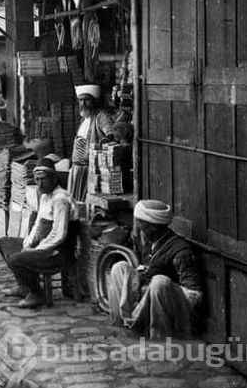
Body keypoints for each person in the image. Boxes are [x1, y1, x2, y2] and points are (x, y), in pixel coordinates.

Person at [108, 200, 202, 340]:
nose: (138, 231)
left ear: (153, 227)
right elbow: (150, 267)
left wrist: (157, 288)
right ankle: (123, 325)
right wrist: (142, 275)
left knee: (160, 282)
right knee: (119, 268)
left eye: (141, 227)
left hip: (174, 310)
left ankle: (158, 339)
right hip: (148, 300)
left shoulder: (181, 252)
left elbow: (194, 295)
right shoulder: (150, 243)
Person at [0, 157, 78, 308]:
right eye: (37, 179)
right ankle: (24, 286)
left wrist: (37, 250)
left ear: (53, 178)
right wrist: (27, 244)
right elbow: (38, 225)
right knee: (4, 243)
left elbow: (59, 235)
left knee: (16, 259)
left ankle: (36, 293)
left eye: (44, 179)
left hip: (56, 252)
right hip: (43, 246)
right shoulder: (46, 196)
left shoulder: (60, 199)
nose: (40, 183)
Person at [67, 84, 114, 202]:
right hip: (77, 168)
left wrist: (103, 143)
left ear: (94, 101)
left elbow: (111, 133)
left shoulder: (100, 116)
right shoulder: (84, 118)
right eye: (81, 100)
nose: (83, 103)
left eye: (87, 100)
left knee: (85, 201)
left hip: (89, 169)